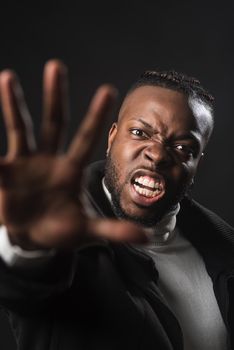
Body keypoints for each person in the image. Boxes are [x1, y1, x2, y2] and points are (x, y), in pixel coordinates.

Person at [0, 60, 233, 350]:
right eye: (139, 133)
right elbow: (24, 287)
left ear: (196, 164)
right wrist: (27, 245)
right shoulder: (68, 244)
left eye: (183, 148)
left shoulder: (223, 248)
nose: (158, 155)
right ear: (112, 138)